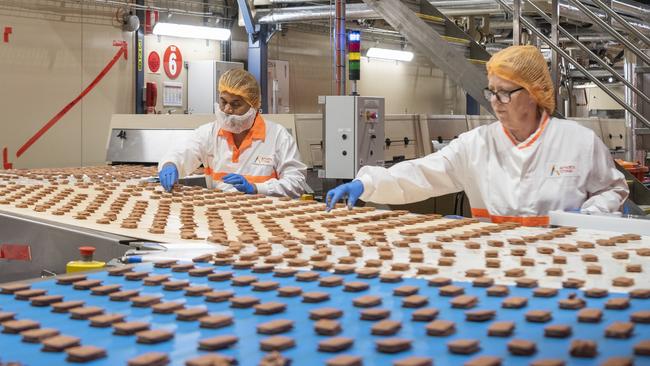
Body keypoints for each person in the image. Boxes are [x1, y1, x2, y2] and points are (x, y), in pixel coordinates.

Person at [326, 45, 629, 226]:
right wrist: (366, 183)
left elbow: (613, 191)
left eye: (505, 94)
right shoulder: (476, 144)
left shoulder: (578, 142)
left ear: (535, 94)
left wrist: (587, 215)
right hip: (493, 265)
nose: (495, 102)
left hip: (561, 263)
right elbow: (422, 173)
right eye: (491, 92)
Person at [158, 69, 307, 198]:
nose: (227, 110)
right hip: (220, 217)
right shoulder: (210, 133)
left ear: (253, 105)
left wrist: (256, 188)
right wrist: (171, 164)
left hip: (264, 216)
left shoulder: (277, 136)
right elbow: (183, 151)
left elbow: (296, 183)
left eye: (236, 104)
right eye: (223, 102)